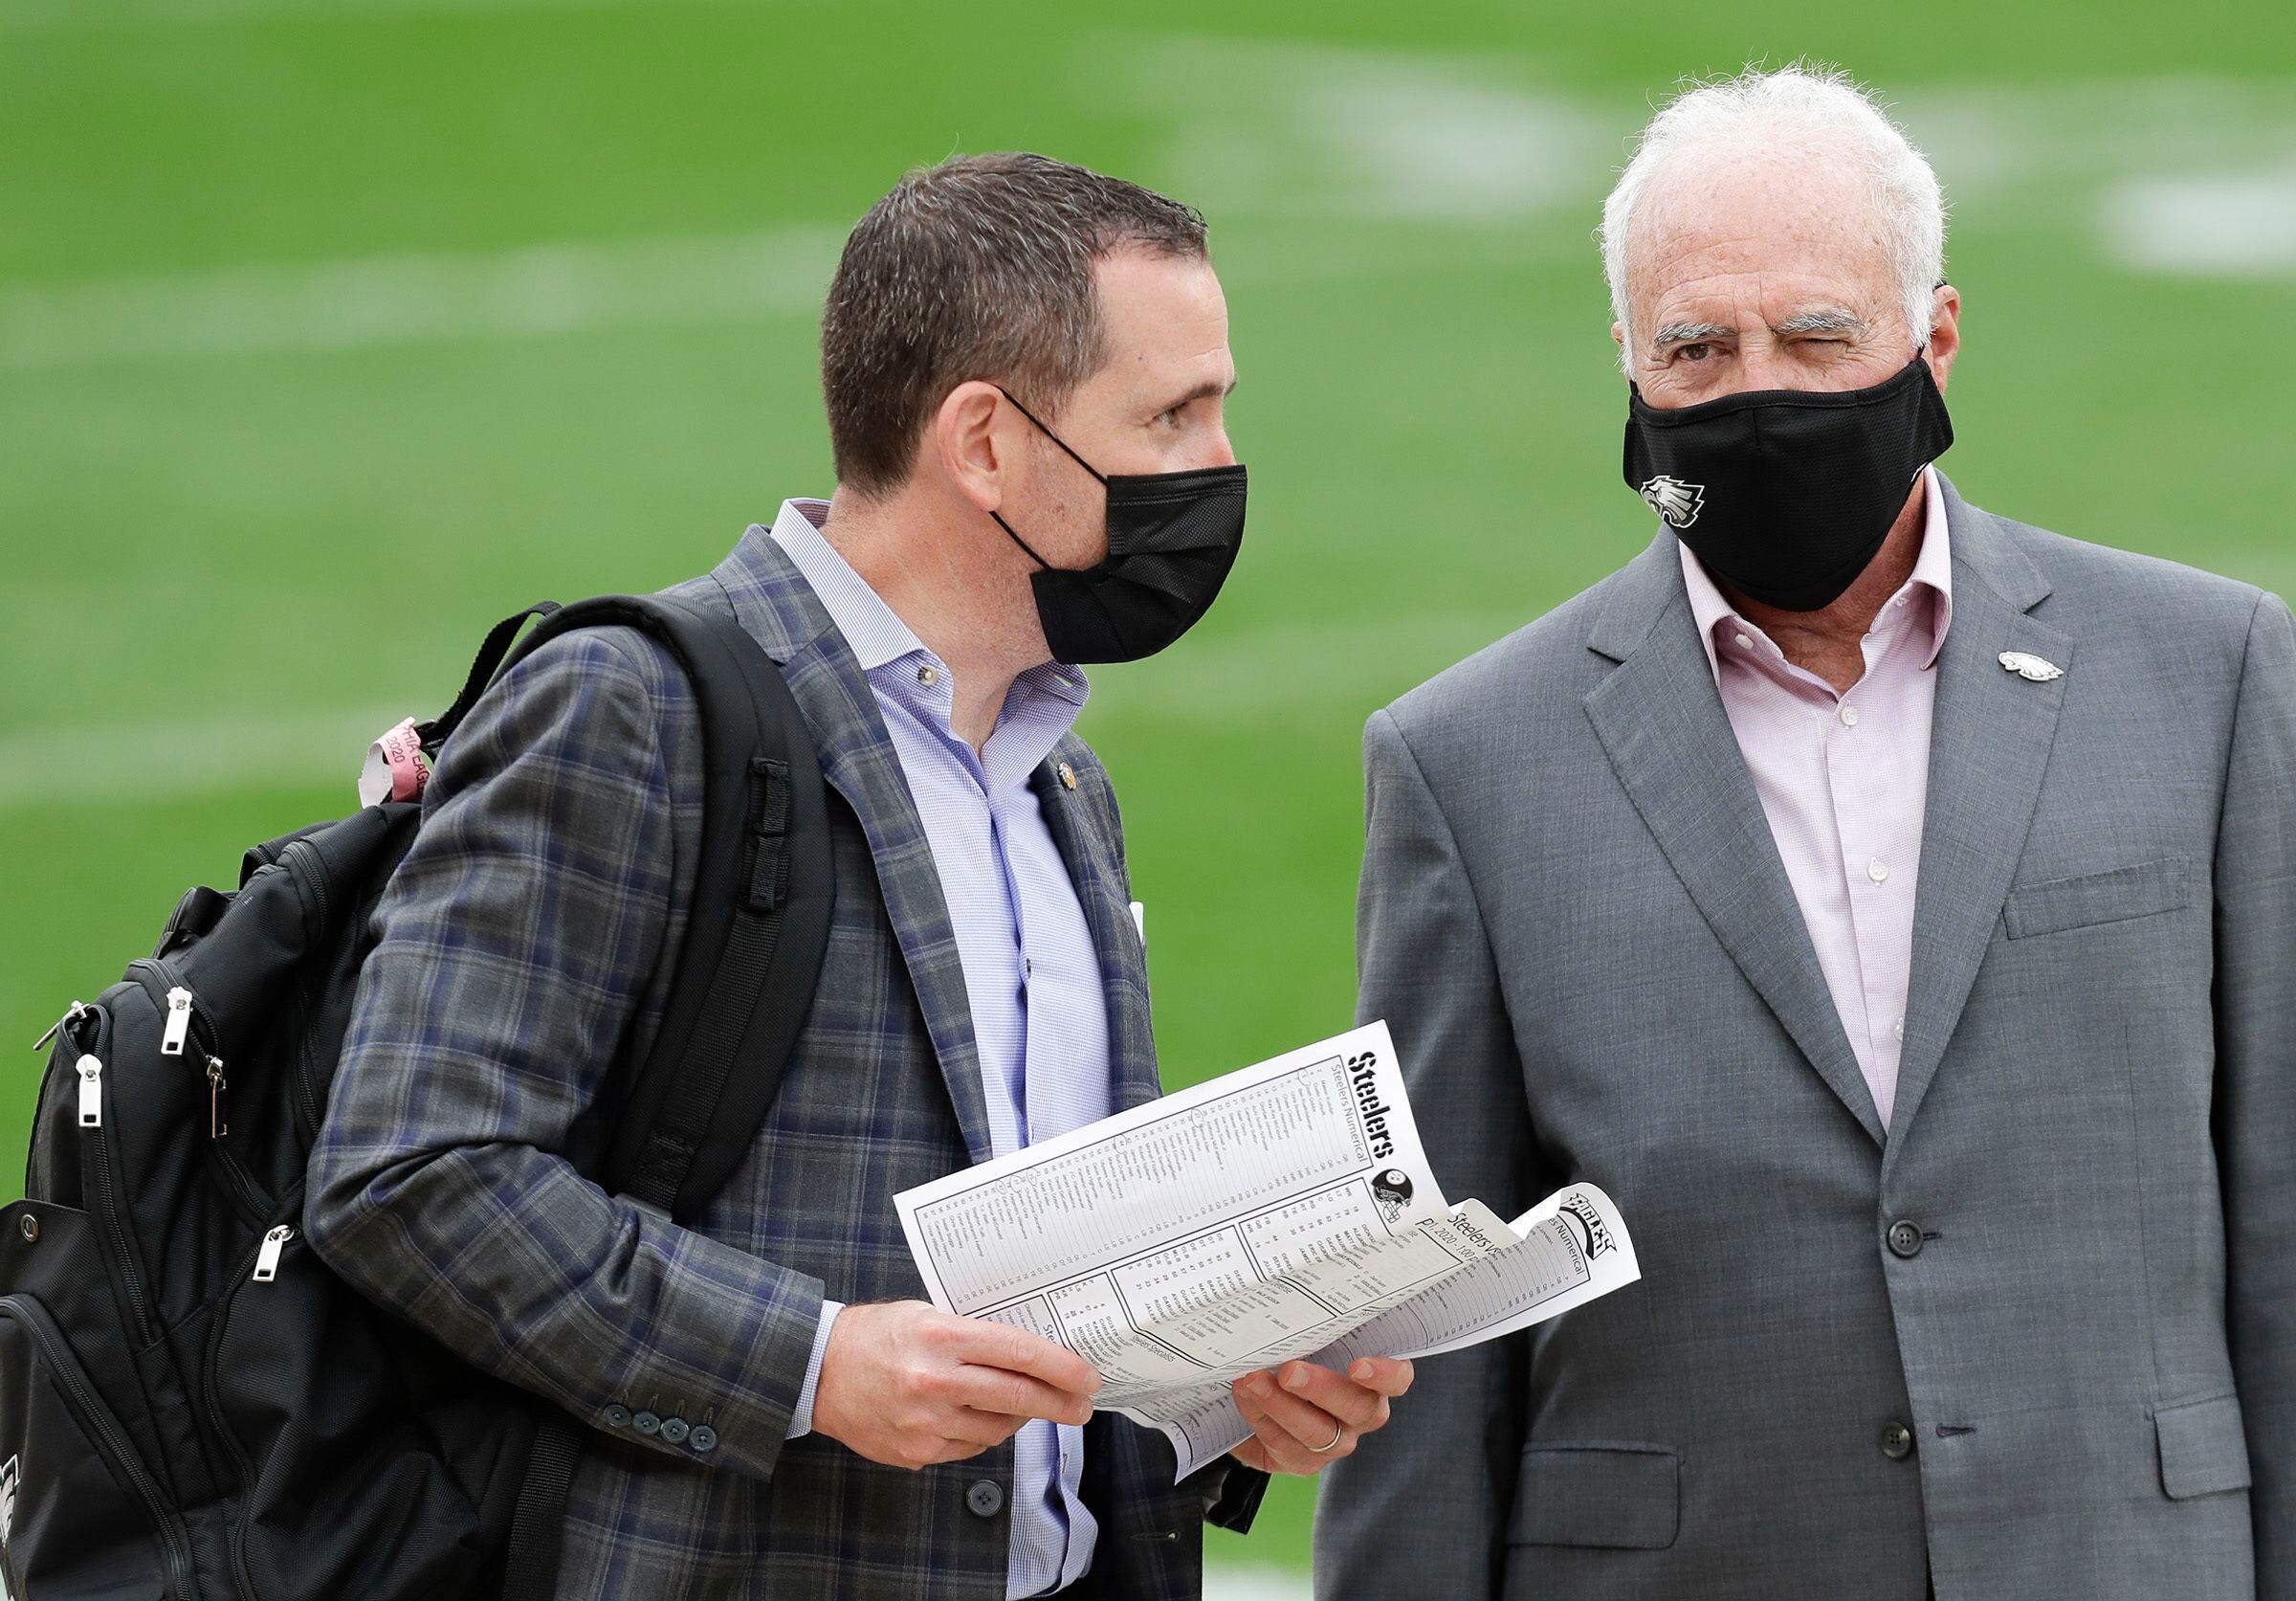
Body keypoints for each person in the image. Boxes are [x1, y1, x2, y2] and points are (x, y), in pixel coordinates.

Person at [305, 151, 1412, 1601]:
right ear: (985, 443)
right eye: (1171, 414)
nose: (1217, 468)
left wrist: (1228, 1397)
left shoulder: (1059, 775)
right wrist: (811, 1368)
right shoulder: (633, 709)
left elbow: (1058, 1280)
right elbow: (410, 1172)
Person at [1314, 63, 2290, 1601]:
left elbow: (2283, 1205)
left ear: (1935, 338)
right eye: (1698, 349)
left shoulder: (2211, 673)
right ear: (1627, 363)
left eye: (1818, 336)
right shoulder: (1466, 760)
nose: (1758, 389)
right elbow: (1434, 1320)